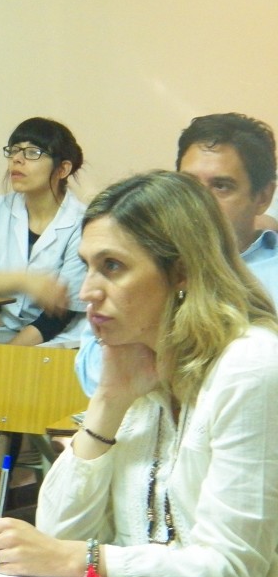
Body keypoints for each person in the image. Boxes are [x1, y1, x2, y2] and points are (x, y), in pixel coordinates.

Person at [0, 170, 278, 577]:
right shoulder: (141, 367)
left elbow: (231, 574)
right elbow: (61, 533)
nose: (87, 291)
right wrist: (109, 402)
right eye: (86, 266)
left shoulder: (251, 366)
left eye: (112, 266)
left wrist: (76, 560)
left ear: (181, 271)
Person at [75, 112, 278, 394]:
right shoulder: (140, 262)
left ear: (263, 197)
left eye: (221, 186)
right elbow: (92, 375)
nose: (198, 201)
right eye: (188, 184)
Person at [0, 117, 87, 348]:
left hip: (63, 338)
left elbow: (57, 318)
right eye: (14, 150)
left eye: (33, 152)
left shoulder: (82, 222)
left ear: (62, 169)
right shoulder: (1, 208)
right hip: (11, 332)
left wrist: (5, 358)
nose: (17, 159)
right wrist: (25, 281)